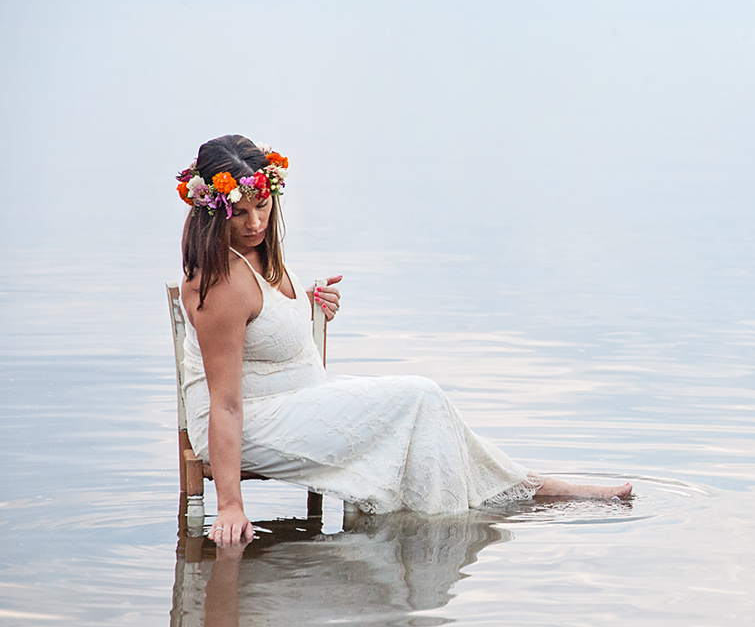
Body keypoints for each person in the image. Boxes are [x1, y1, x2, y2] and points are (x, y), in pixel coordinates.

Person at [177, 135, 630, 547]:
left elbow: (263, 332)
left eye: (263, 206)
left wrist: (307, 307)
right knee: (418, 397)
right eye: (240, 214)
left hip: (297, 399)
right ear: (214, 213)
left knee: (429, 413)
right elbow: (226, 403)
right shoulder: (219, 283)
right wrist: (231, 505)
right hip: (252, 422)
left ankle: (527, 488)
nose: (255, 222)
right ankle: (458, 530)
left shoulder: (258, 256)